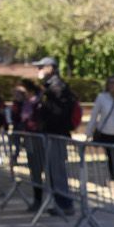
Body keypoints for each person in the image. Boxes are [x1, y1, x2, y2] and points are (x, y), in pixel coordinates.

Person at [33, 56, 78, 216]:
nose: (38, 70)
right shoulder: (49, 87)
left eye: (41, 67)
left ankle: (65, 204)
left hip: (56, 134)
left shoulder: (56, 87)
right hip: (50, 133)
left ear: (50, 68)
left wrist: (44, 115)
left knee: (58, 171)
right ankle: (60, 203)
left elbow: (58, 112)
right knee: (53, 171)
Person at [86, 76, 114, 190]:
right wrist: (89, 132)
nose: (112, 85)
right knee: (111, 158)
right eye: (110, 83)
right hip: (106, 133)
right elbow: (94, 116)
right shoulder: (102, 98)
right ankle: (113, 179)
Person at [14, 80, 46, 211]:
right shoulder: (25, 104)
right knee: (35, 172)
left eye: (23, 92)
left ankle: (44, 200)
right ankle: (37, 200)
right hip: (30, 140)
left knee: (40, 170)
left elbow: (36, 122)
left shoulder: (37, 103)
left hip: (38, 139)